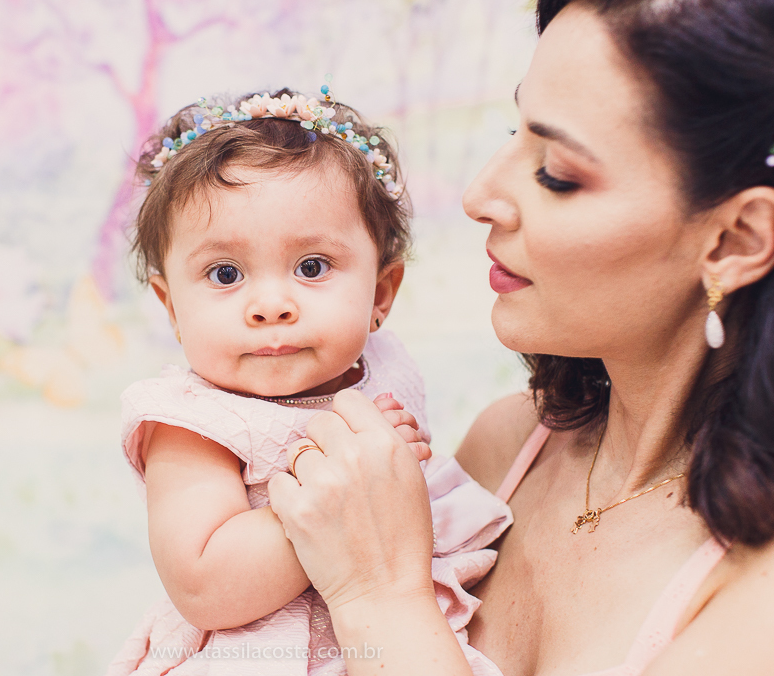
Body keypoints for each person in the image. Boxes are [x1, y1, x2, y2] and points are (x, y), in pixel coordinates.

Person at [267, 0, 774, 676]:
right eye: (514, 131)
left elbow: (383, 620)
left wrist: (379, 595)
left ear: (736, 239)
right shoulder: (510, 445)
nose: (483, 194)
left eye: (558, 173)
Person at [106, 89, 513, 675]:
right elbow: (204, 586)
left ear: (380, 294)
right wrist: (335, 495)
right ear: (172, 308)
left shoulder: (386, 368)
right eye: (225, 274)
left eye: (312, 267)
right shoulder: (194, 423)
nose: (271, 305)